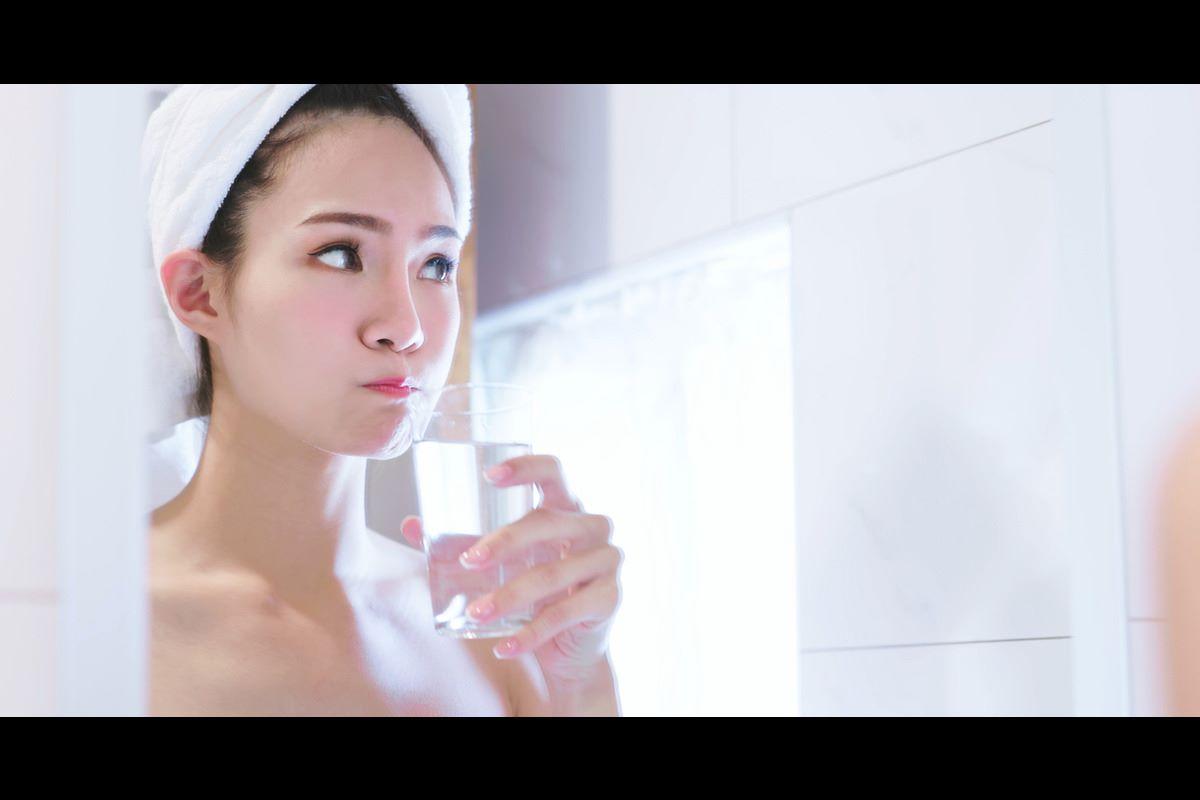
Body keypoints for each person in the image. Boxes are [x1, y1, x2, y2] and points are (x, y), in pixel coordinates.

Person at [146, 84, 623, 716]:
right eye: (342, 254)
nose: (407, 326)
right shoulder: (99, 618)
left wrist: (578, 688)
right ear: (199, 293)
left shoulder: (488, 632)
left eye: (435, 265)